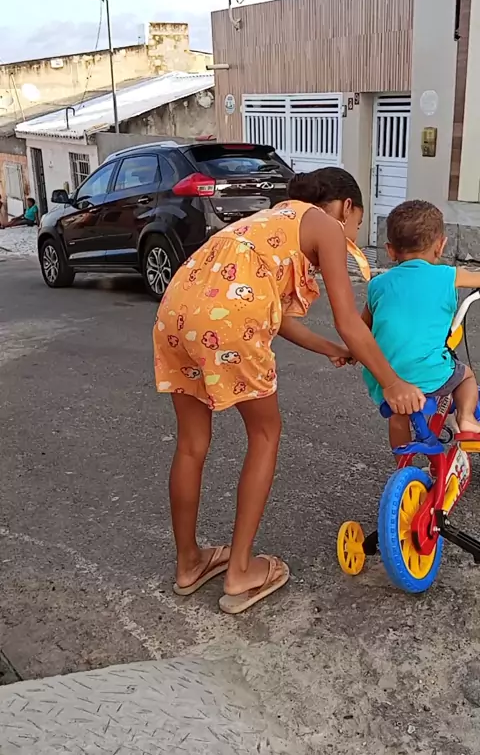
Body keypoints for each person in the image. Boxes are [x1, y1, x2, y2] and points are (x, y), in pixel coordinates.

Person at [153, 168, 425, 615]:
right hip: (229, 321)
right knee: (265, 434)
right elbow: (348, 319)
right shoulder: (326, 225)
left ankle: (189, 564)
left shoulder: (268, 222)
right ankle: (240, 571)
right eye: (357, 223)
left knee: (191, 444)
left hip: (176, 313)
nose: (352, 233)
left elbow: (271, 313)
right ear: (346, 207)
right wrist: (393, 382)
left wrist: (328, 349)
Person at [362, 199, 480, 449]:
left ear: (390, 250)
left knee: (398, 416)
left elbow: (362, 329)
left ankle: (403, 463)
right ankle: (467, 419)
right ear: (441, 246)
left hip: (387, 377)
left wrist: (349, 353)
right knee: (465, 376)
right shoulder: (448, 275)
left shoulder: (377, 285)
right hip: (430, 374)